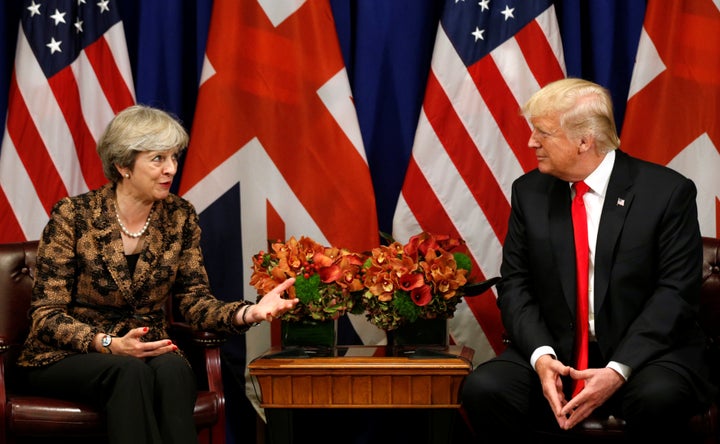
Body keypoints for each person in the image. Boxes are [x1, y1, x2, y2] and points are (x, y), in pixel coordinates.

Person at [17, 104, 299, 444]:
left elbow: (194, 301)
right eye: (158, 159)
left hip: (147, 349)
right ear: (123, 165)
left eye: (173, 158)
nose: (170, 169)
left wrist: (248, 312)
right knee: (127, 371)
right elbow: (46, 316)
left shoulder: (179, 216)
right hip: (68, 354)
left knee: (174, 369)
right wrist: (107, 343)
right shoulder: (74, 216)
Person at [460, 78, 716, 441]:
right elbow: (516, 284)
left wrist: (616, 370)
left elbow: (675, 294)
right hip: (558, 351)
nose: (532, 142)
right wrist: (541, 357)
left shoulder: (666, 193)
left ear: (584, 140)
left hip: (645, 356)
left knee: (659, 397)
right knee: (485, 389)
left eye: (543, 132)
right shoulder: (529, 192)